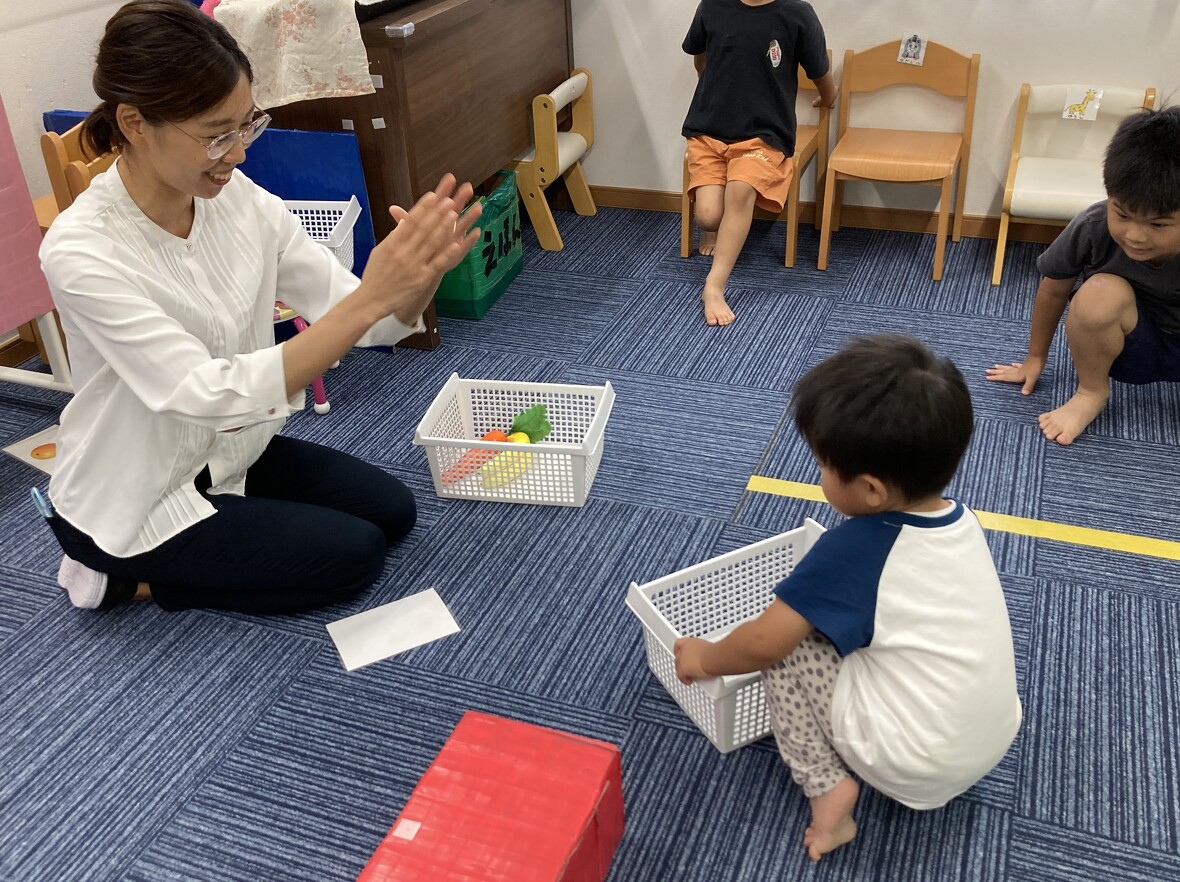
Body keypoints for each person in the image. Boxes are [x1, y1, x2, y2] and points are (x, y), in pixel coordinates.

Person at [38, 0, 482, 614]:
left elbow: (367, 320)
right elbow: (207, 394)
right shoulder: (81, 250)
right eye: (216, 135)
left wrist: (418, 278)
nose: (239, 153)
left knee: (393, 512)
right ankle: (114, 577)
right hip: (131, 490)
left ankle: (219, 529)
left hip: (226, 451)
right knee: (353, 559)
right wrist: (373, 296)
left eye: (247, 125)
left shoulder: (235, 197)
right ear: (135, 123)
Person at [674, 335, 1021, 862]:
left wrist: (704, 658)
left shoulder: (855, 549)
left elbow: (763, 643)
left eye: (822, 466)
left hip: (915, 759)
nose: (818, 475)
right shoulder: (961, 520)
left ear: (872, 490)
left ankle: (826, 787)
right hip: (991, 736)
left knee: (788, 645)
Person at [987, 106, 1180, 445]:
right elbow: (1053, 290)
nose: (1135, 236)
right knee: (1098, 293)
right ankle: (1091, 393)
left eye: (1158, 224)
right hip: (1129, 349)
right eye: (1122, 214)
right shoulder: (1092, 226)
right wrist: (1035, 358)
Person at [681, 0, 836, 327]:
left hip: (765, 133)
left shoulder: (797, 13)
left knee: (740, 190)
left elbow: (820, 72)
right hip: (709, 127)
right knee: (708, 215)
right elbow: (701, 59)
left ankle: (714, 286)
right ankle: (713, 231)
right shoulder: (712, 6)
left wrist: (829, 97)